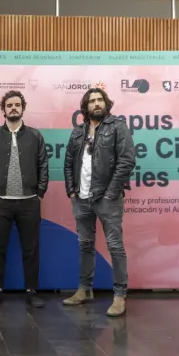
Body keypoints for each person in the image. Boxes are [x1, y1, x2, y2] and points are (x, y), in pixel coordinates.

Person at [62, 87, 136, 317]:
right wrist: (72, 191)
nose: (96, 104)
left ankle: (120, 295)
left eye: (100, 100)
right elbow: (68, 163)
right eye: (92, 101)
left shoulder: (118, 127)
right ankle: (84, 290)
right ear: (85, 107)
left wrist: (111, 193)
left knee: (115, 246)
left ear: (106, 103)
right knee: (85, 245)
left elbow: (127, 161)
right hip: (81, 199)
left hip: (107, 198)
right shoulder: (77, 133)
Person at [0, 90, 49, 308]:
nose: (13, 108)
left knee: (32, 249)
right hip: (0, 201)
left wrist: (40, 193)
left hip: (29, 201)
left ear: (23, 108)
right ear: (3, 109)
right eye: (9, 105)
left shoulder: (35, 136)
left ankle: (31, 291)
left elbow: (43, 165)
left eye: (17, 104)